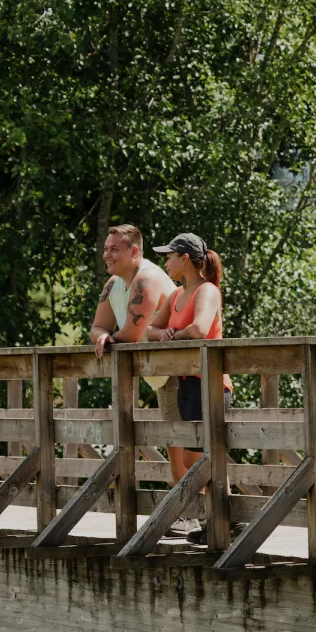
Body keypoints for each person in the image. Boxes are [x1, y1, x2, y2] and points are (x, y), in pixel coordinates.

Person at [146, 232, 237, 542]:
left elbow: (200, 328)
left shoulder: (207, 291)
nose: (166, 262)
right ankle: (218, 520)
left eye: (169, 256)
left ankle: (226, 520)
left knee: (200, 459)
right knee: (195, 459)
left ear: (185, 259)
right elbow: (149, 330)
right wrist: (166, 333)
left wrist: (172, 333)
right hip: (186, 385)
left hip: (210, 385)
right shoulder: (175, 295)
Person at [88, 223, 179, 416]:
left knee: (184, 443)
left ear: (134, 251)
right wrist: (102, 336)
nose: (106, 255)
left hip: (180, 371)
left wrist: (108, 339)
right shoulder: (113, 284)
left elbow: (131, 335)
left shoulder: (147, 278)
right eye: (106, 249)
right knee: (174, 442)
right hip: (159, 371)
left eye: (114, 249)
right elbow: (97, 327)